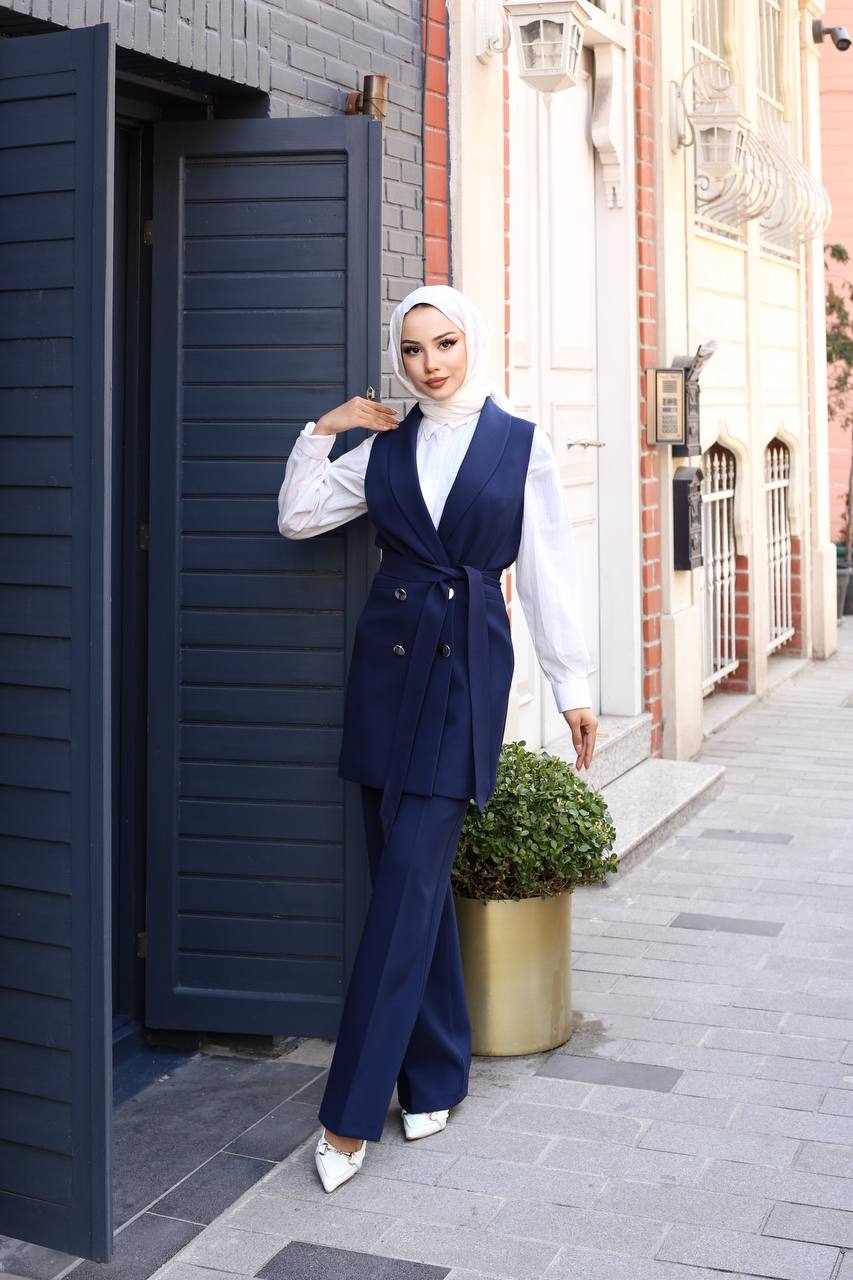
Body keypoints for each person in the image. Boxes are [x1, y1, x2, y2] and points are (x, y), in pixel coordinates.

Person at [277, 284, 597, 1193]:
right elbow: (297, 515)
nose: (429, 364)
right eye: (412, 350)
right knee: (402, 883)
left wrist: (572, 686)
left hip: (463, 679)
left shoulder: (520, 444)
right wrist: (322, 428)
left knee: (409, 883)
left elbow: (546, 573)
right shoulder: (380, 448)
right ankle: (437, 1072)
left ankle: (347, 1119)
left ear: (472, 342)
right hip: (384, 676)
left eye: (444, 343)